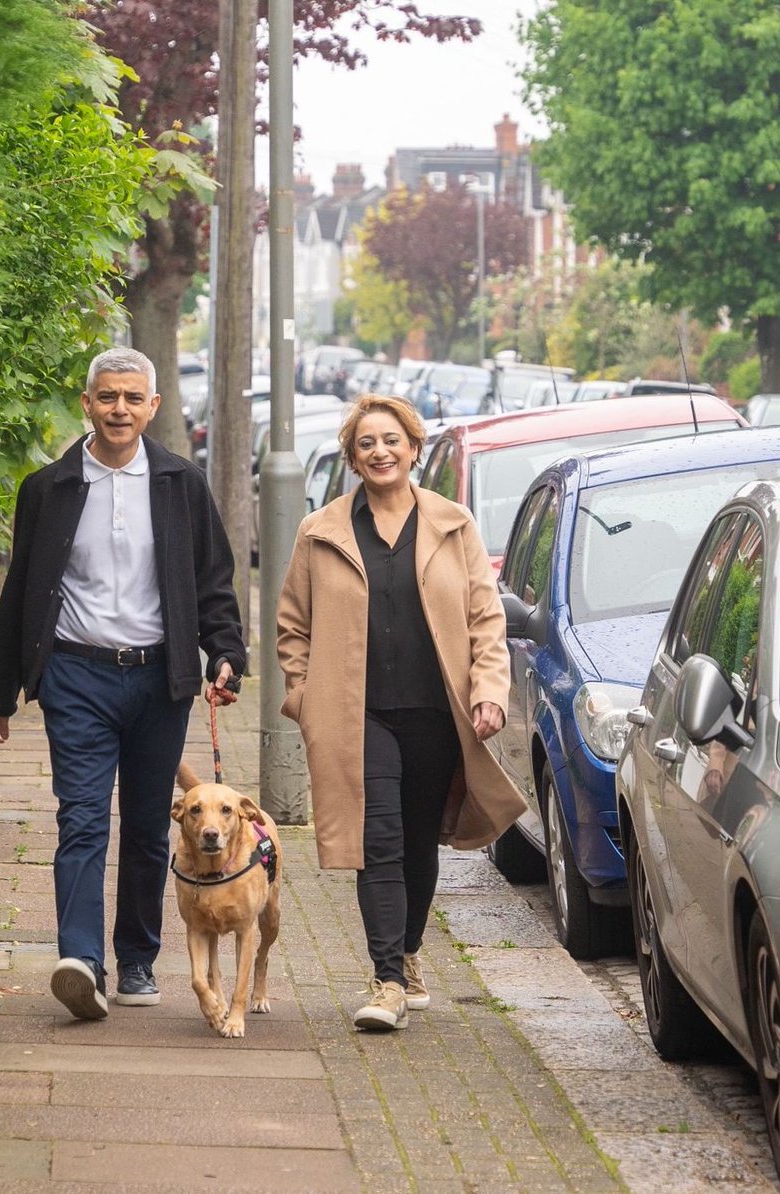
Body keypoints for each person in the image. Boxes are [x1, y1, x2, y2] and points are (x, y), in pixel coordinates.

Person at [0, 347, 246, 1021]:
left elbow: (213, 580)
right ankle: (80, 962)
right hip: (76, 674)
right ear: (87, 403)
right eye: (107, 397)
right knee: (83, 817)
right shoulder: (49, 488)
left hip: (160, 678)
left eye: (132, 398)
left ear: (153, 407)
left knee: (153, 828)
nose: (119, 409)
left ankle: (136, 959)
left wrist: (225, 653)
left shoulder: (181, 484)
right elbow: (22, 593)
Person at [276, 394, 526, 1031]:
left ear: (414, 449)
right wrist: (304, 697)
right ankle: (386, 978)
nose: (380, 452)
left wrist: (489, 690)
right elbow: (292, 627)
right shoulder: (321, 531)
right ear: (353, 459)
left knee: (418, 843)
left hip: (437, 714)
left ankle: (410, 952)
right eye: (366, 444)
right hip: (357, 715)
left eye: (392, 440)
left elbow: (484, 618)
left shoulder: (453, 524)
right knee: (377, 840)